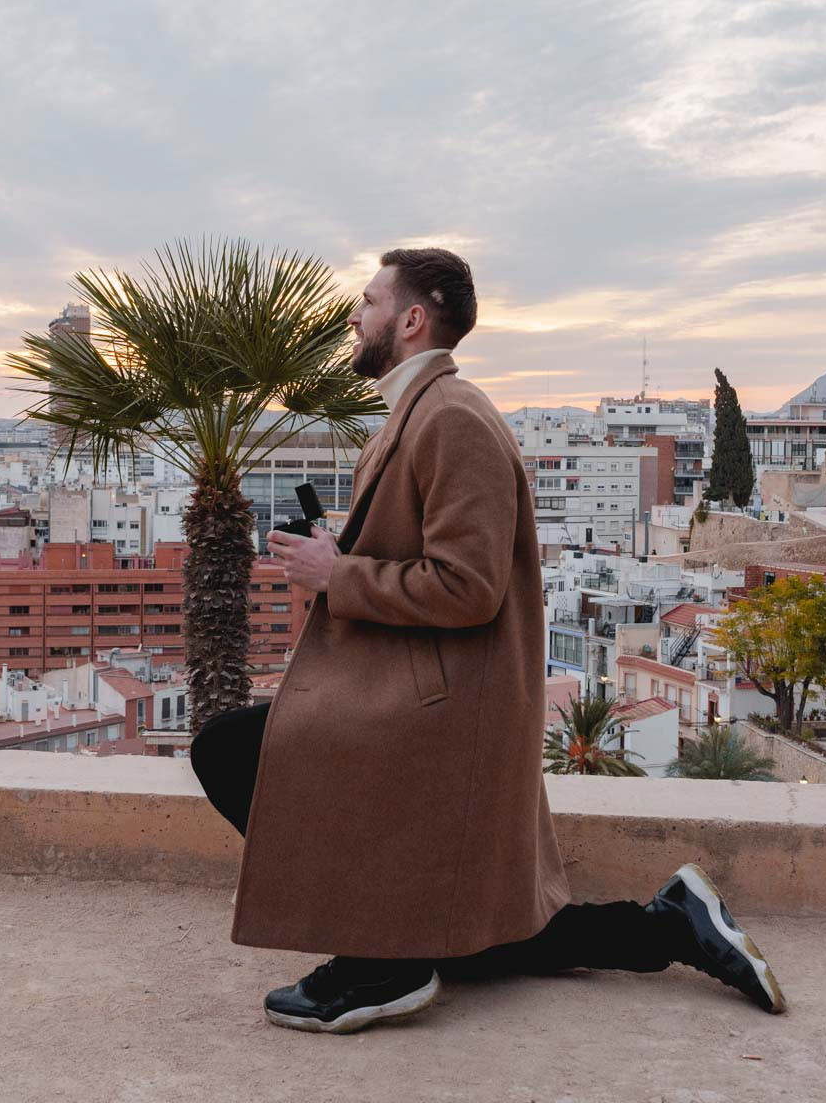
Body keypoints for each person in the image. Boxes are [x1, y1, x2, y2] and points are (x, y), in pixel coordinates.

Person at [192, 247, 786, 1033]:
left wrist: (338, 575)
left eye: (368, 302)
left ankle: (383, 956)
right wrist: (337, 552)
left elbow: (467, 588)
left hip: (438, 707)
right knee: (479, 928)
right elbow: (427, 552)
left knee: (232, 749)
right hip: (423, 685)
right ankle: (669, 924)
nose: (353, 315)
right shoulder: (420, 413)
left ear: (411, 319)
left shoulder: (452, 419)